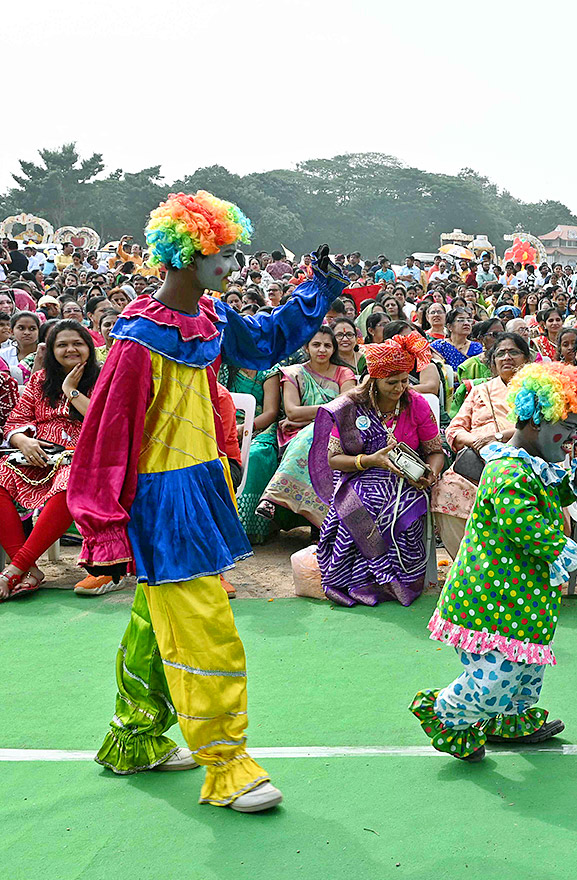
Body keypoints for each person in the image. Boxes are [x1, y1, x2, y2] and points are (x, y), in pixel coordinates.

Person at [69, 191, 348, 812]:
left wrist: (318, 290)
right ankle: (227, 766)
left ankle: (135, 738)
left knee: (153, 619)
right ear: (187, 255)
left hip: (202, 483)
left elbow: (263, 342)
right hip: (163, 500)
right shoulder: (138, 342)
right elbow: (105, 441)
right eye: (221, 255)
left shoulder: (213, 319)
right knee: (205, 628)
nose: (230, 266)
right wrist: (105, 530)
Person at [411, 362, 577, 761]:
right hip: (489, 600)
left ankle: (509, 720)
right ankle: (446, 714)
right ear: (535, 422)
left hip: (522, 597)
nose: (570, 441)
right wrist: (575, 555)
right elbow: (526, 526)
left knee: (524, 669)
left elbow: (555, 497)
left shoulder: (539, 466)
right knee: (494, 677)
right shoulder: (506, 472)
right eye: (566, 430)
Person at [311, 333, 442, 606]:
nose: (400, 388)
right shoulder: (351, 407)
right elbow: (334, 459)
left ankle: (396, 583)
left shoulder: (415, 403)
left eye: (405, 381)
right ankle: (356, 583)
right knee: (364, 503)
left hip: (407, 480)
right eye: (391, 383)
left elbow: (435, 451)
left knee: (392, 506)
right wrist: (370, 460)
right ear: (374, 381)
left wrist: (431, 474)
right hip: (358, 474)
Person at [0, 322, 97, 598]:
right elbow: (15, 421)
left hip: (84, 456)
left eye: (77, 343)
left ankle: (14, 569)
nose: (70, 350)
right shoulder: (39, 380)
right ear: (52, 350)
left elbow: (103, 420)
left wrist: (71, 389)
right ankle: (30, 570)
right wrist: (23, 440)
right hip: (38, 455)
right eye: (62, 344)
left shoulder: (104, 378)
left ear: (88, 347)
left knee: (71, 481)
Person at [432, 333, 531, 558]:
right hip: (477, 463)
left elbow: (542, 426)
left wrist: (498, 437)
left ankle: (517, 567)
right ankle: (472, 563)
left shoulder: (537, 389)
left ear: (526, 358)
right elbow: (454, 430)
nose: (506, 357)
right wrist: (476, 442)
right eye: (500, 354)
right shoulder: (479, 390)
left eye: (513, 352)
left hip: (523, 460)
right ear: (492, 362)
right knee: (446, 488)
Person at [257, 326, 357, 528]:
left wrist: (309, 418)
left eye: (327, 345)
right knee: (313, 434)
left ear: (334, 349)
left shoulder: (344, 373)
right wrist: (327, 410)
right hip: (296, 432)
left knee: (316, 433)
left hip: (336, 431)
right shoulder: (294, 373)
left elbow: (347, 405)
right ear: (306, 347)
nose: (322, 350)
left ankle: (275, 496)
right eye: (316, 345)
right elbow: (292, 411)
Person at [219, 359, 282, 545]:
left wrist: (245, 428)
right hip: (228, 424)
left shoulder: (268, 370)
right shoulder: (226, 367)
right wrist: (232, 429)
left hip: (261, 427)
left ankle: (248, 528)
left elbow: (271, 412)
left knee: (255, 455)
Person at [429, 308, 482, 372]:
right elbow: (441, 369)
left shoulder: (476, 347)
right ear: (449, 327)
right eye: (461, 320)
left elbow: (478, 371)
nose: (466, 323)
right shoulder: (439, 346)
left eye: (469, 320)